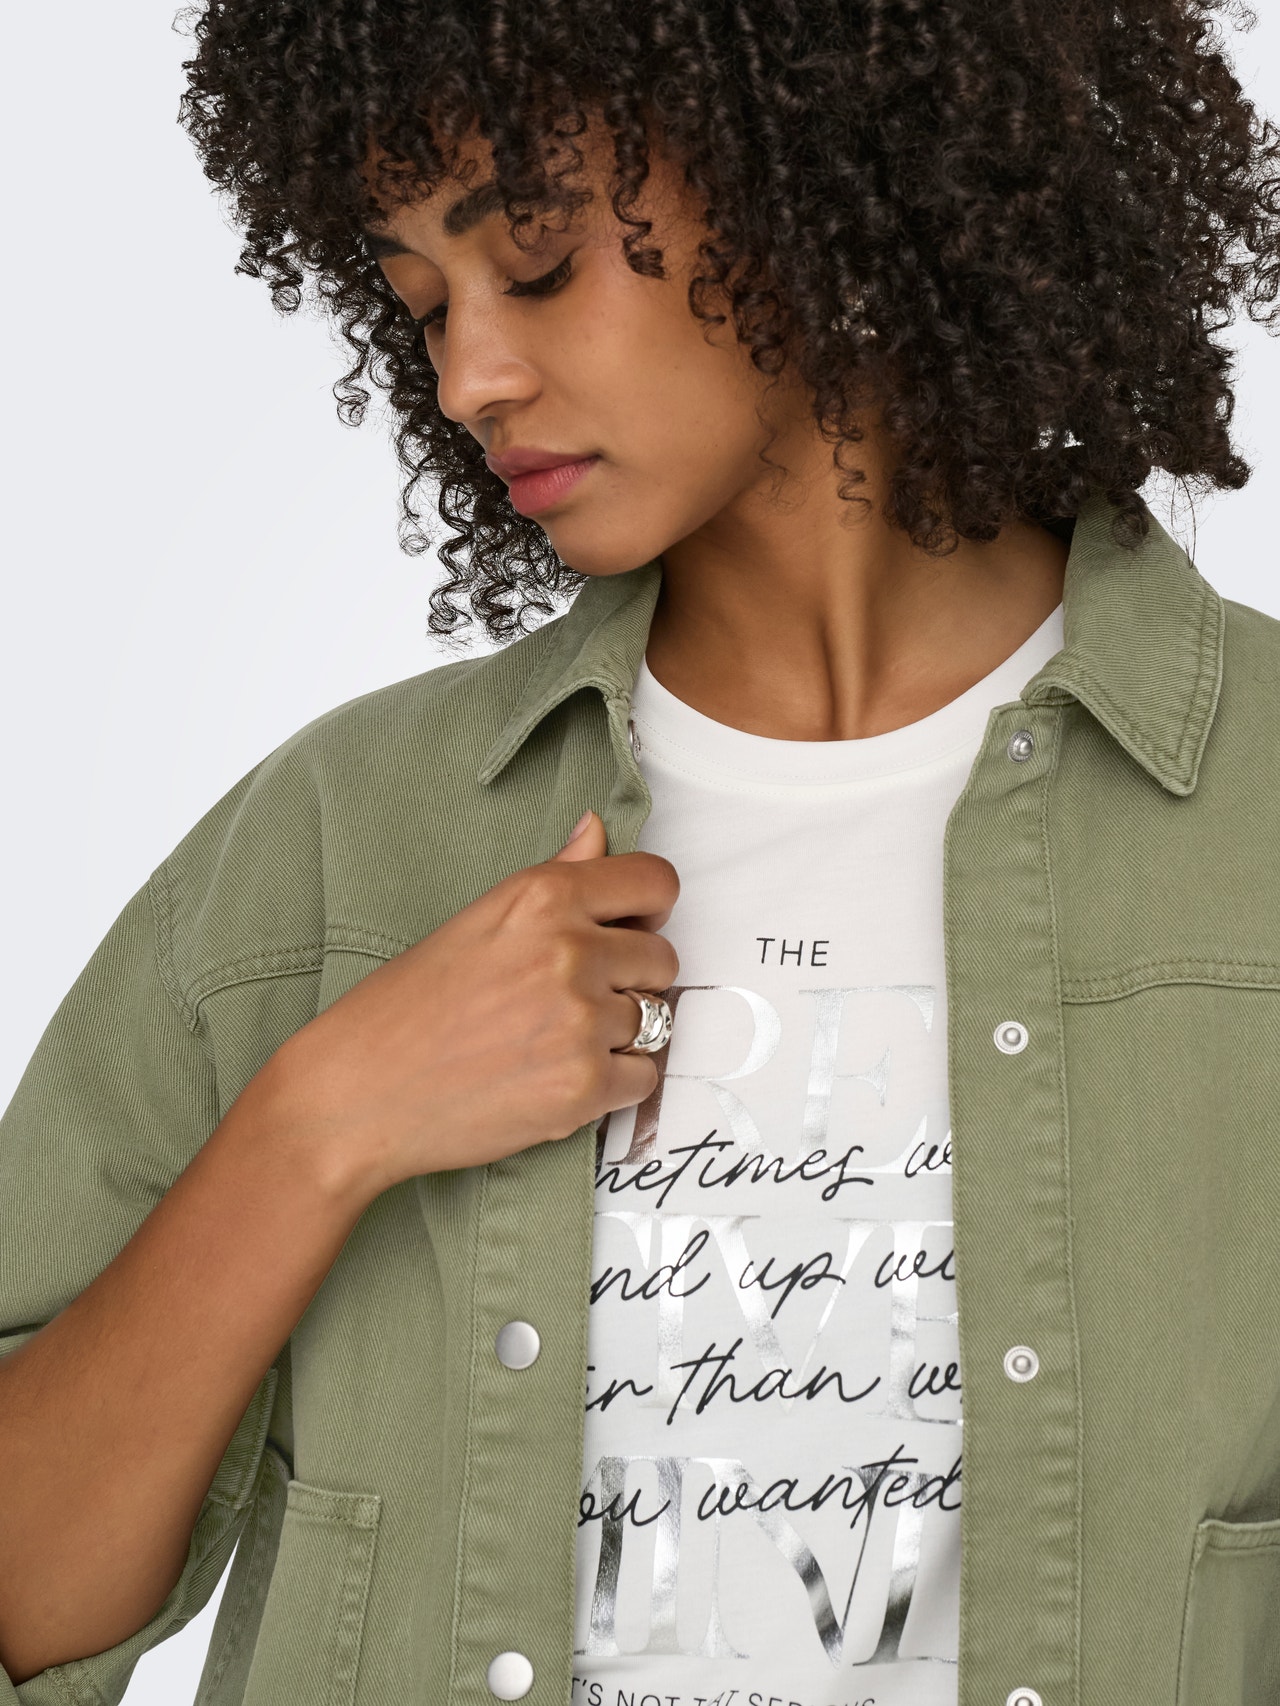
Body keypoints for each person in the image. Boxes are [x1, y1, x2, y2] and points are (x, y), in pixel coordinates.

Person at [2, 2, 1279, 1703]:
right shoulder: (331, 846)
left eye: (535, 265)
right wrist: (322, 1123)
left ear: (824, 160)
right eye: (422, 301)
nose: (469, 376)